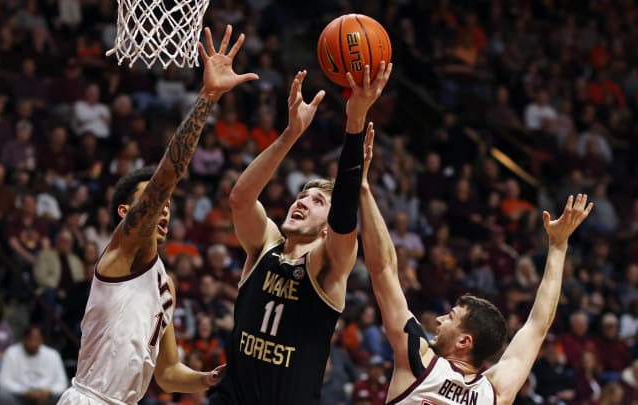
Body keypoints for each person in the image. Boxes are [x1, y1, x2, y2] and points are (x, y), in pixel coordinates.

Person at [58, 25, 258, 405]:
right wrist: (208, 97)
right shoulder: (124, 249)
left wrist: (211, 377)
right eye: (152, 201)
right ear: (124, 212)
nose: (162, 208)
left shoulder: (165, 284)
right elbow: (167, 176)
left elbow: (167, 374)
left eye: (165, 205)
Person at [358, 122, 593, 405]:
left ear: (464, 342)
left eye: (451, 316)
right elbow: (537, 326)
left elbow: (383, 269)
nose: (439, 320)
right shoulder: (494, 394)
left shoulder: (420, 361)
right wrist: (557, 247)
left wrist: (362, 189)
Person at [210, 62, 393, 405]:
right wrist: (291, 133)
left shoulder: (327, 263)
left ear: (326, 227)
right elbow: (240, 198)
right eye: (301, 196)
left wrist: (354, 121)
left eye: (317, 201)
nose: (303, 202)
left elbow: (343, 218)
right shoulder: (265, 244)